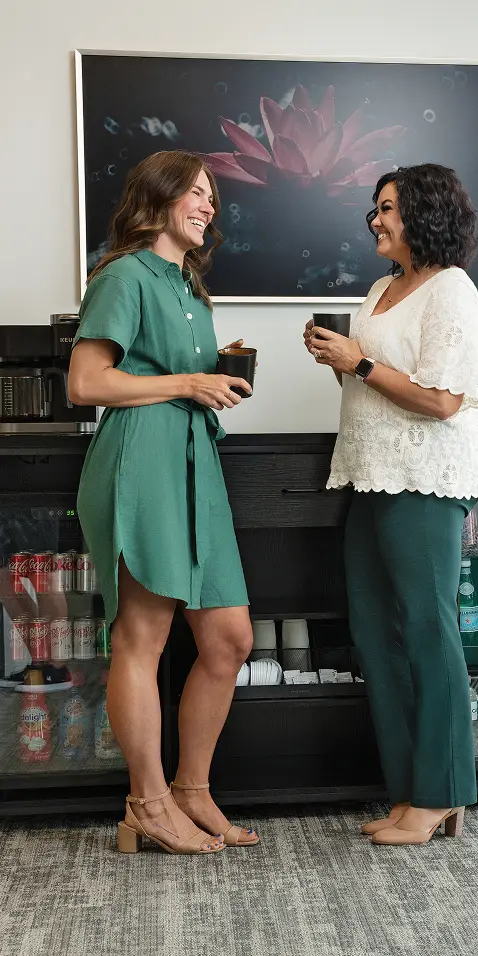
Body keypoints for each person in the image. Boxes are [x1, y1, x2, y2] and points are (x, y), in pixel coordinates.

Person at [69, 150, 259, 854]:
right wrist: (185, 382)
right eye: (196, 193)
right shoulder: (123, 275)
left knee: (229, 638)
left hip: (193, 464)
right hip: (141, 462)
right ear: (158, 197)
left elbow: (173, 372)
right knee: (141, 638)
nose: (209, 205)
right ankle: (146, 803)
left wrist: (212, 369)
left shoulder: (189, 288)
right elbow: (86, 382)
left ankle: (190, 790)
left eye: (213, 196)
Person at [304, 163, 478, 846]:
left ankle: (442, 793)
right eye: (375, 209)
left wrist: (357, 362)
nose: (375, 220)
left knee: (428, 632)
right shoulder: (381, 289)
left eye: (387, 208)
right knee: (378, 634)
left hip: (425, 479)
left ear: (424, 214)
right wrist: (342, 360)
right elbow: (373, 382)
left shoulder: (452, 290)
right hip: (370, 474)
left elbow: (442, 400)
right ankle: (410, 791)